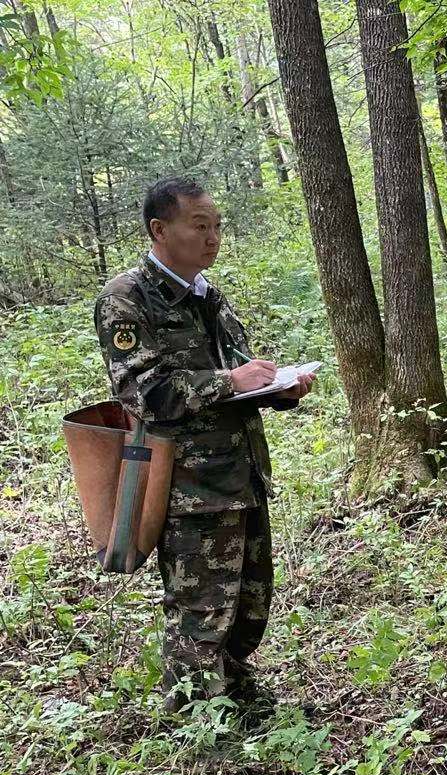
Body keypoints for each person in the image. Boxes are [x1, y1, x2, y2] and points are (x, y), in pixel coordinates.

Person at [94, 177, 316, 714]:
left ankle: (238, 693)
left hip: (242, 474)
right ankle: (196, 718)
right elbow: (145, 393)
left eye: (217, 226)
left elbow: (238, 380)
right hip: (190, 486)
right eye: (200, 226)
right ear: (159, 230)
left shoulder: (208, 295)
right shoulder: (126, 300)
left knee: (250, 600)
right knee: (200, 607)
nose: (213, 237)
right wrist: (230, 381)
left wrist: (279, 388)